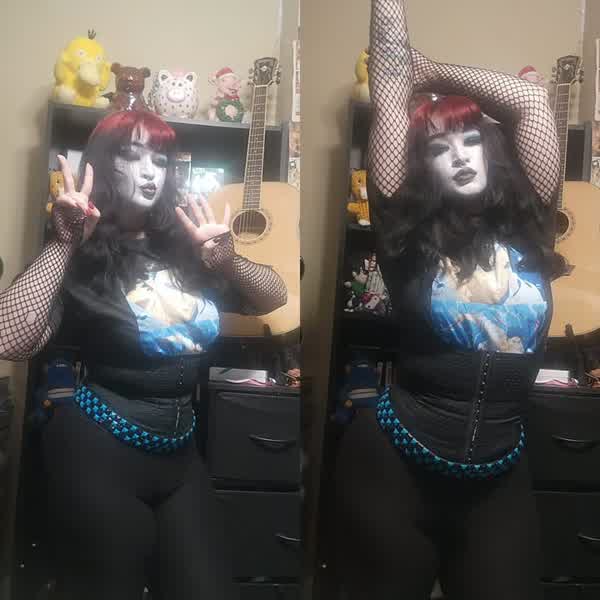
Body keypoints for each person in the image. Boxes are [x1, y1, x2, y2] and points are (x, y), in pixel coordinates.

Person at [0, 109, 287, 599]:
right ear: (104, 165)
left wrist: (228, 260)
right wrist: (62, 244)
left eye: (160, 159)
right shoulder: (82, 245)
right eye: (133, 156)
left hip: (180, 453)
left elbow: (273, 297)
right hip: (97, 451)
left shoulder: (185, 243)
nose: (151, 171)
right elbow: (10, 338)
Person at [333, 1, 564, 599]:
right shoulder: (405, 233)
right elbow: (389, 82)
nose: (459, 155)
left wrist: (433, 71)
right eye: (439, 148)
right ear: (423, 166)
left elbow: (530, 101)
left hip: (498, 479)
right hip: (393, 474)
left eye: (470, 140)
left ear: (491, 150)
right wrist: (402, 56)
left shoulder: (531, 227)